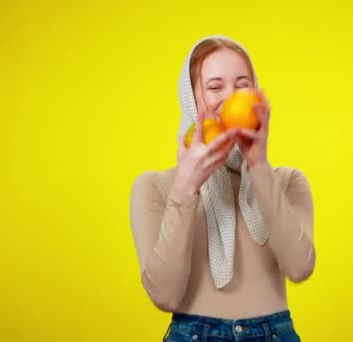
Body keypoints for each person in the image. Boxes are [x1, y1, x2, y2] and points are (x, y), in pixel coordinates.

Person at [129, 35, 315, 342]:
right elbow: (164, 296)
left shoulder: (288, 181)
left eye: (242, 84)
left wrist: (259, 167)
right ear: (191, 98)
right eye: (215, 87)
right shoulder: (155, 187)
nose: (230, 98)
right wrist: (186, 188)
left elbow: (300, 268)